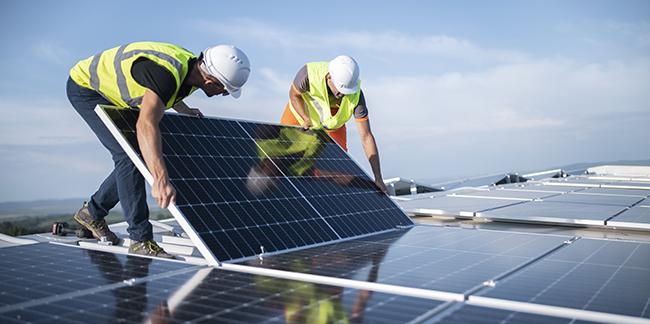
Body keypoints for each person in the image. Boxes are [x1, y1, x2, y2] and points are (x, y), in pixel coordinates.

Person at [66, 41, 251, 258]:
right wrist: (160, 180)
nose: (225, 94)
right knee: (129, 156)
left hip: (114, 94)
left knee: (144, 154)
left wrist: (184, 109)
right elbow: (146, 124)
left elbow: (166, 92)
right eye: (225, 88)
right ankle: (140, 239)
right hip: (87, 88)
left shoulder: (193, 70)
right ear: (210, 79)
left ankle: (92, 213)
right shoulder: (166, 74)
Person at [280, 55, 387, 192]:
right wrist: (305, 118)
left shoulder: (357, 97)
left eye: (346, 91)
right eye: (340, 90)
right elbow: (294, 95)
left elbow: (366, 136)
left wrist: (378, 177)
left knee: (337, 166)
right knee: (284, 160)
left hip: (333, 126)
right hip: (299, 119)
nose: (342, 95)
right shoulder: (308, 74)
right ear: (329, 77)